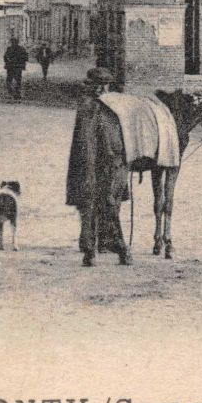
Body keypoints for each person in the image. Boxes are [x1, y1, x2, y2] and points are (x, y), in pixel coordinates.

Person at [65, 67, 129, 267]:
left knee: (94, 205)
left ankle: (96, 248)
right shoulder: (92, 107)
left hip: (98, 165)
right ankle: (106, 249)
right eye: (99, 85)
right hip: (96, 166)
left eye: (105, 85)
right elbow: (88, 140)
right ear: (93, 85)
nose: (102, 89)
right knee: (101, 205)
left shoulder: (101, 106)